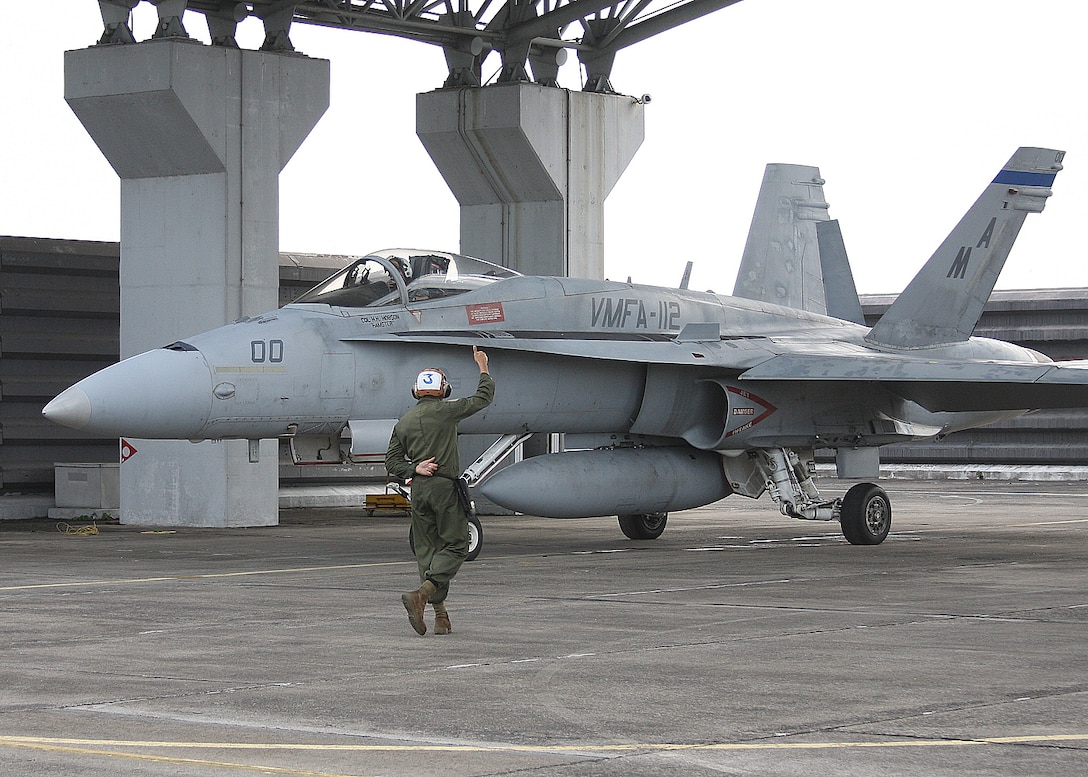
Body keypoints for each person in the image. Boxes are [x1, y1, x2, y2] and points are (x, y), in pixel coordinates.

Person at [386, 346, 494, 636]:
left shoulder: (403, 423)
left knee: (428, 551)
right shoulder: (448, 411)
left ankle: (440, 616)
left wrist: (414, 469)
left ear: (415, 391)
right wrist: (482, 366)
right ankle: (423, 593)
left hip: (419, 490)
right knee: (458, 545)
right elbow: (484, 398)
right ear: (443, 390)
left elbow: (392, 462)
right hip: (444, 488)